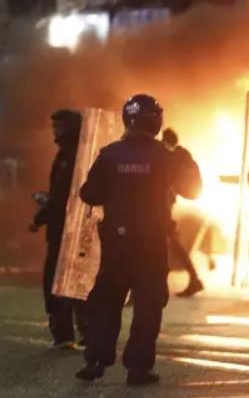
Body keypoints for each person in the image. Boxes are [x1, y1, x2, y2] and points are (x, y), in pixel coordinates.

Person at [75, 94, 202, 386]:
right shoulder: (168, 154)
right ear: (156, 121)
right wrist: (184, 157)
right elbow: (193, 190)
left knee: (107, 301)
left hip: (116, 243)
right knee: (148, 305)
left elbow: (88, 194)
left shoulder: (109, 154)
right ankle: (138, 368)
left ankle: (95, 360)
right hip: (151, 243)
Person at [30, 109, 88, 349]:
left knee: (62, 283)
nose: (55, 131)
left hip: (67, 232)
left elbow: (63, 197)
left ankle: (70, 333)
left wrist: (42, 214)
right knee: (70, 283)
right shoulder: (73, 154)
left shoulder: (72, 157)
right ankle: (79, 333)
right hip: (68, 231)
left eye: (59, 126)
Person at [161, 128, 204, 297]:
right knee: (170, 243)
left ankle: (140, 292)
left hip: (161, 206)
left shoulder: (170, 156)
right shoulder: (180, 155)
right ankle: (195, 279)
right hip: (164, 205)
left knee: (155, 245)